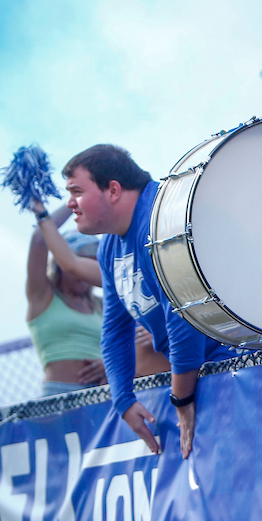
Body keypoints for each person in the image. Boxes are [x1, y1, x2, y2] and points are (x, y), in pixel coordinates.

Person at [62, 144, 234, 458]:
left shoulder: (162, 217)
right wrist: (123, 400)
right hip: (200, 378)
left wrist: (181, 400)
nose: (70, 203)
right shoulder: (108, 247)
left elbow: (183, 316)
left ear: (113, 189)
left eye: (76, 191)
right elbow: (115, 331)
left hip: (237, 365)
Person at [24, 203, 106, 398]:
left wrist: (109, 365)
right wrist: (76, 202)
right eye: (81, 262)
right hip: (58, 395)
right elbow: (38, 240)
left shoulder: (101, 305)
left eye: (94, 264)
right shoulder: (42, 296)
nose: (86, 272)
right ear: (63, 264)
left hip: (102, 397)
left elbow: (133, 344)